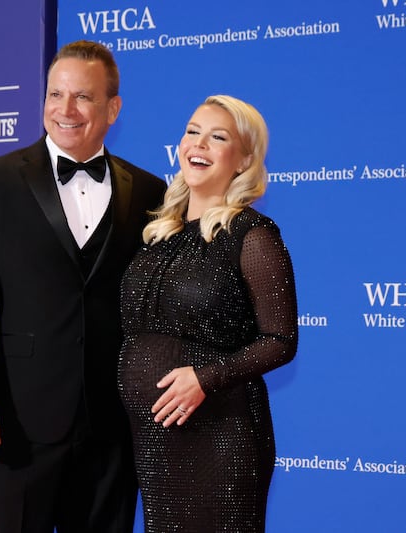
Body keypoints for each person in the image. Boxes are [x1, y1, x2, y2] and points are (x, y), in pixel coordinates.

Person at [0, 40, 166, 533]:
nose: (65, 109)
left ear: (113, 108)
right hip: (19, 420)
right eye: (55, 94)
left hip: (113, 423)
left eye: (83, 97)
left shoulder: (151, 191)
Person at [118, 94, 299, 532]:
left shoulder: (252, 234)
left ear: (244, 160)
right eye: (192, 132)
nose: (198, 144)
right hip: (156, 443)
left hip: (221, 435)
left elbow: (281, 340)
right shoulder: (160, 233)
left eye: (218, 137)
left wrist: (205, 378)